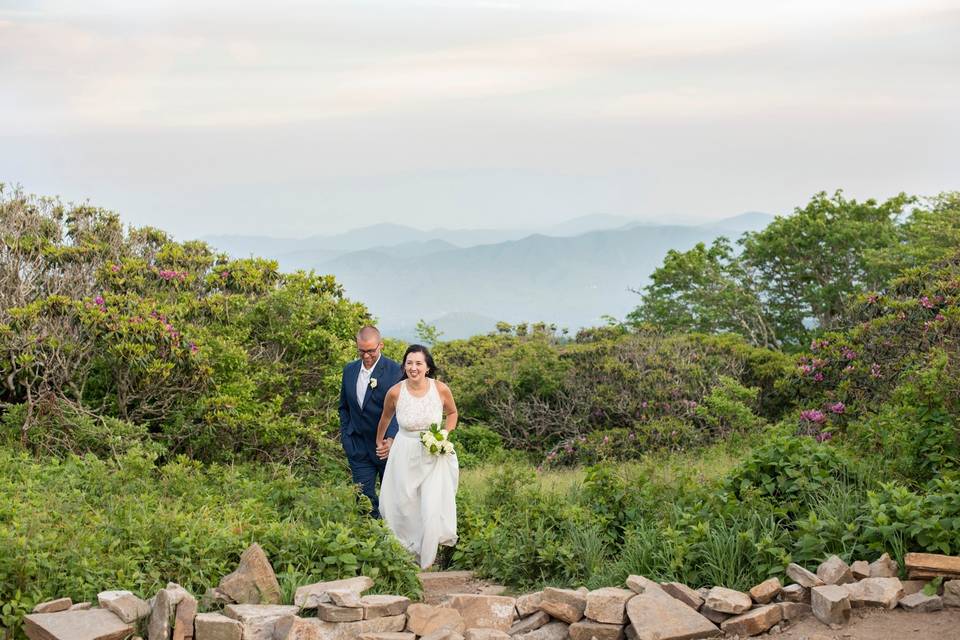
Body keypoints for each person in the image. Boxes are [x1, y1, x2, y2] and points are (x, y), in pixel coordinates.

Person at [376, 344, 459, 569]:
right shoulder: (395, 392)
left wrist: (444, 433)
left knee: (430, 505)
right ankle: (406, 554)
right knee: (403, 504)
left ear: (427, 367)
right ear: (404, 366)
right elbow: (385, 418)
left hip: (433, 454)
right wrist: (380, 441)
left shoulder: (440, 389)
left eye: (418, 363)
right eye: (409, 363)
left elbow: (452, 413)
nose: (413, 368)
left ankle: (428, 559)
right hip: (404, 451)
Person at [338, 325, 402, 519]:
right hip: (357, 446)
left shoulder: (395, 371)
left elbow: (400, 410)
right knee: (364, 500)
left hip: (385, 448)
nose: (366, 356)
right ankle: (368, 536)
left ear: (380, 345)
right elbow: (344, 407)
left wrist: (390, 438)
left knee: (391, 499)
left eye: (371, 351)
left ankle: (390, 541)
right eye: (362, 351)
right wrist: (346, 436)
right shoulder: (349, 370)